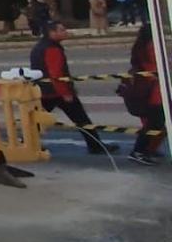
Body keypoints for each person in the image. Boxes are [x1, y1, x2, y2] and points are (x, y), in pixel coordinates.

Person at [29, 21, 113, 155]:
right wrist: (66, 92)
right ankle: (96, 146)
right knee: (81, 119)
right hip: (55, 92)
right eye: (62, 30)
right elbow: (56, 73)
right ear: (52, 33)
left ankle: (25, 143)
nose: (65, 32)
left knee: (38, 120)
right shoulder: (52, 49)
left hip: (43, 90)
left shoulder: (40, 46)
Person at [122, 24, 163, 164]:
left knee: (155, 123)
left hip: (151, 91)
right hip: (155, 92)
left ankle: (146, 149)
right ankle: (139, 151)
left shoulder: (141, 46)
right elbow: (156, 67)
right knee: (155, 123)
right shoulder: (152, 47)